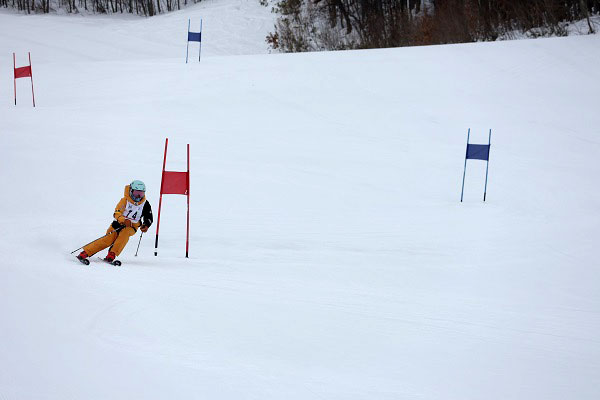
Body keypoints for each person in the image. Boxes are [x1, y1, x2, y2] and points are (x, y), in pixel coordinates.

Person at [77, 180, 153, 263]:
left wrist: (146, 225)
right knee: (107, 240)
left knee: (124, 234)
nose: (138, 196)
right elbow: (117, 213)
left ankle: (112, 254)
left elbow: (149, 216)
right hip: (118, 224)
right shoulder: (125, 200)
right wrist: (123, 220)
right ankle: (85, 252)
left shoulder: (145, 204)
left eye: (141, 194)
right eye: (136, 193)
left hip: (132, 226)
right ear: (131, 191)